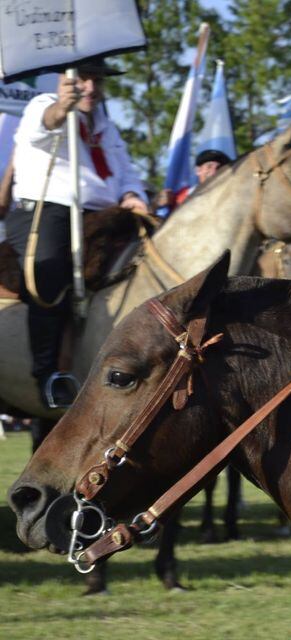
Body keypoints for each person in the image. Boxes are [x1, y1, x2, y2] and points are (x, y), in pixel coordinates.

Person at [5, 58, 148, 409]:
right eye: (84, 79)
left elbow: (126, 170)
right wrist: (61, 106)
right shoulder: (42, 105)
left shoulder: (107, 126)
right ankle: (48, 376)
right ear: (65, 80)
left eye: (97, 81)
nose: (91, 88)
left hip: (102, 215)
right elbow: (45, 124)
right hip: (47, 209)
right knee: (48, 275)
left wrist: (132, 195)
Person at [154, 148, 232, 212]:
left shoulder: (231, 196)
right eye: (209, 166)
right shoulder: (182, 196)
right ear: (198, 171)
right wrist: (156, 203)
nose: (214, 171)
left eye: (220, 168)